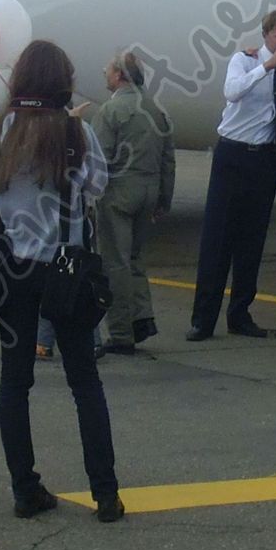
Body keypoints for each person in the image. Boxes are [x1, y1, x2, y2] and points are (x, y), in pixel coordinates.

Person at [0, 39, 122, 522]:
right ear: (63, 80)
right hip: (66, 268)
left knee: (14, 382)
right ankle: (104, 493)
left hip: (14, 269)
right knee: (85, 381)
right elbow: (98, 186)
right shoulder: (75, 131)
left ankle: (25, 489)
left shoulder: (0, 129)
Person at [189, 9, 276, 341]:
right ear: (265, 36)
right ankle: (203, 319)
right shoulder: (245, 61)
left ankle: (240, 314)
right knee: (217, 240)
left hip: (263, 159)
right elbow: (232, 91)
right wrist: (265, 67)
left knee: (252, 243)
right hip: (233, 154)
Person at [86, 51, 174, 355]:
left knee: (115, 262)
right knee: (135, 258)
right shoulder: (155, 109)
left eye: (108, 70)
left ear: (120, 76)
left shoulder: (110, 111)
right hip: (148, 189)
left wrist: (87, 195)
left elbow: (98, 159)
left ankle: (122, 332)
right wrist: (164, 197)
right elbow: (167, 158)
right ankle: (142, 317)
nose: (104, 73)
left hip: (119, 191)